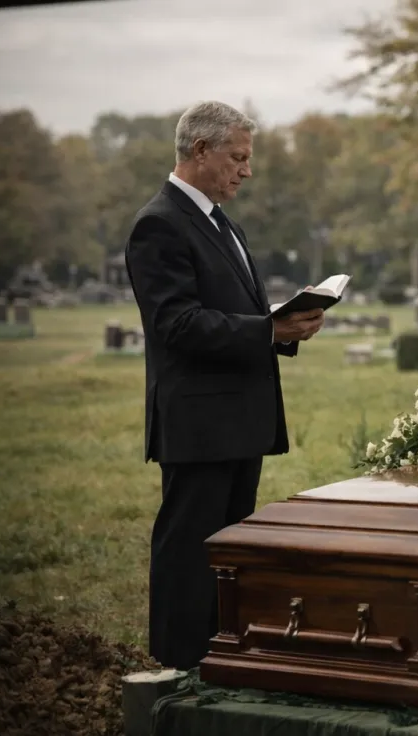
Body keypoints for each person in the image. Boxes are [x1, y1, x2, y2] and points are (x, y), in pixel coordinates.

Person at [125, 101, 326, 670]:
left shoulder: (221, 221)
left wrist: (284, 323)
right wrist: (268, 329)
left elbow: (231, 308)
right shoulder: (159, 224)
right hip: (199, 424)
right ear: (200, 150)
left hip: (237, 419)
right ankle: (177, 668)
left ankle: (222, 657)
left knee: (228, 554)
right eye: (237, 158)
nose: (247, 170)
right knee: (189, 552)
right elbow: (176, 325)